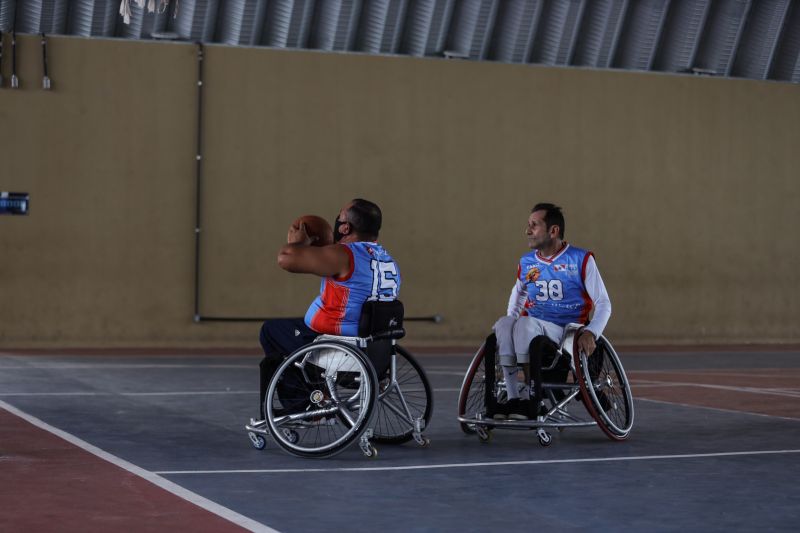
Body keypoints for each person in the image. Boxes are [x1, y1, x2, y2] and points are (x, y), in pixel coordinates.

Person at [254, 198, 401, 420]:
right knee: (290, 329)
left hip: (337, 345)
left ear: (345, 228)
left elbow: (286, 259)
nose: (337, 222)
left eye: (340, 218)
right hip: (375, 348)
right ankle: (315, 392)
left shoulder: (346, 255)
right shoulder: (387, 260)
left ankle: (304, 405)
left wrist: (298, 243)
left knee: (272, 332)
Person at [490, 203, 611, 420]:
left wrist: (592, 332)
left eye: (534, 225)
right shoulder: (527, 262)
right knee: (504, 323)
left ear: (553, 231)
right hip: (533, 329)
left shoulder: (581, 259)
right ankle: (514, 396)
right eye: (528, 225)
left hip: (567, 331)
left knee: (525, 324)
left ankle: (531, 395)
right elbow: (517, 297)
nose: (527, 231)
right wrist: (511, 321)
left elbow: (603, 303)